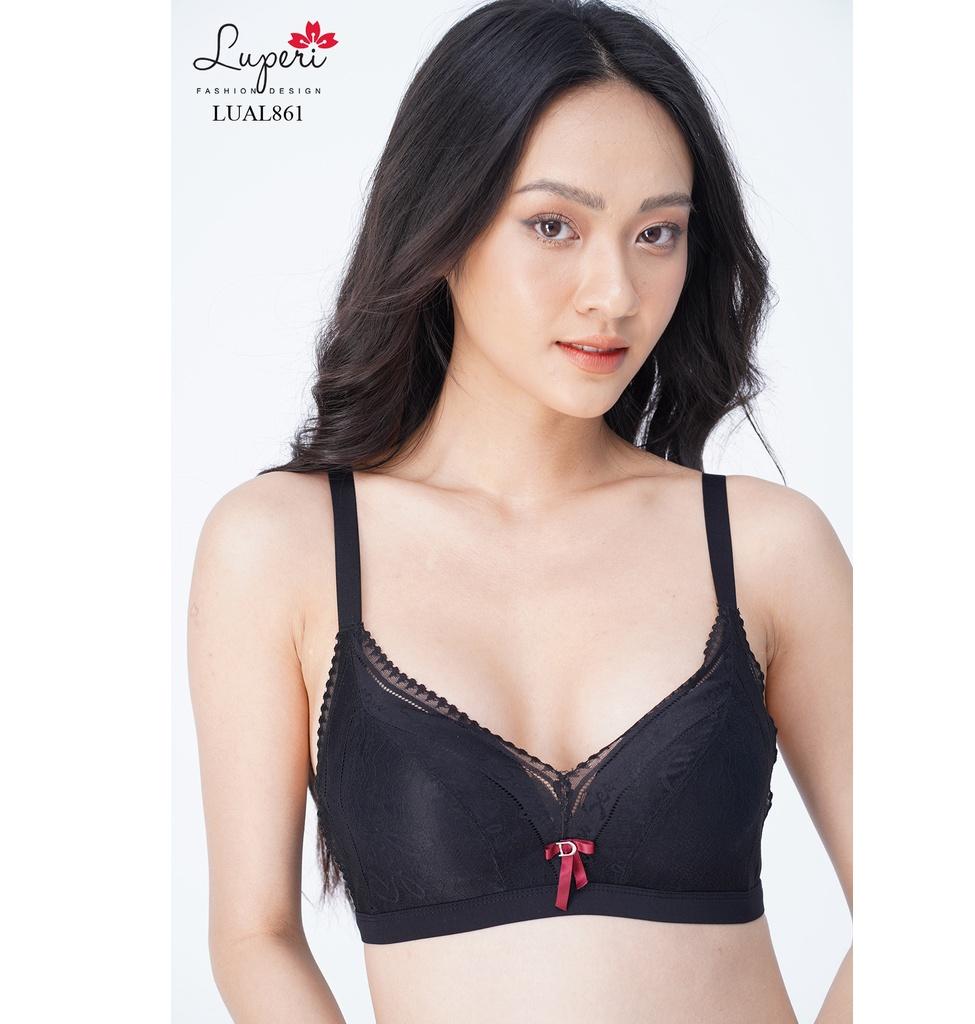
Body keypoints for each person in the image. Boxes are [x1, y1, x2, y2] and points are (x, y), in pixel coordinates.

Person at [187, 1, 852, 1020]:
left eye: (657, 233)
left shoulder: (767, 547)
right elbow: (253, 935)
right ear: (441, 226)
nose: (613, 292)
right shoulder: (279, 547)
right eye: (553, 226)